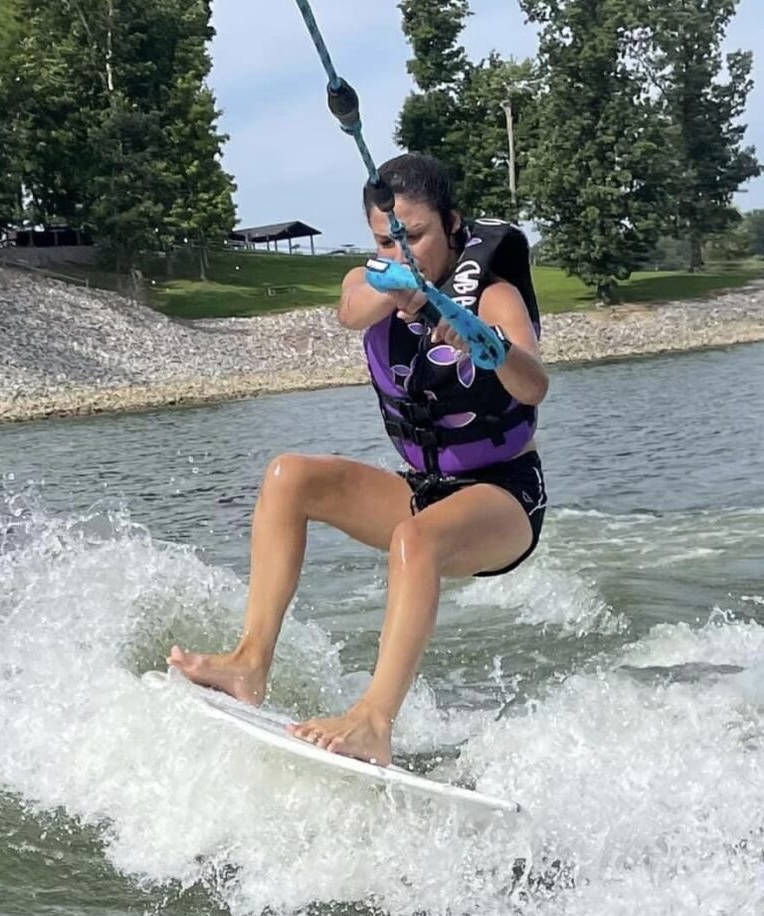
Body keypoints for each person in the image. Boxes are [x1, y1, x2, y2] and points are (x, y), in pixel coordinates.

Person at [168, 152, 549, 766]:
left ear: (453, 224)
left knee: (413, 541)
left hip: (503, 498)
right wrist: (397, 283)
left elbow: (532, 386)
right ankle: (248, 663)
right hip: (425, 485)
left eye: (417, 237)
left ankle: (373, 721)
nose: (404, 253)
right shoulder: (370, 282)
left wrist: (488, 343)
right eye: (386, 241)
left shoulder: (494, 296)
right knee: (290, 477)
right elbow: (351, 308)